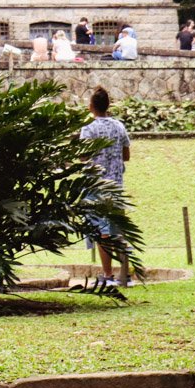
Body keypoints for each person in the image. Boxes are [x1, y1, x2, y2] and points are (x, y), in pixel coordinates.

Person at [80, 87, 133, 288]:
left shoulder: (89, 129)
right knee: (117, 229)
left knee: (102, 232)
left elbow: (84, 156)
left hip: (97, 186)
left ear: (91, 106)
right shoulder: (119, 127)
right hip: (117, 186)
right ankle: (125, 274)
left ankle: (108, 275)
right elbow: (126, 155)